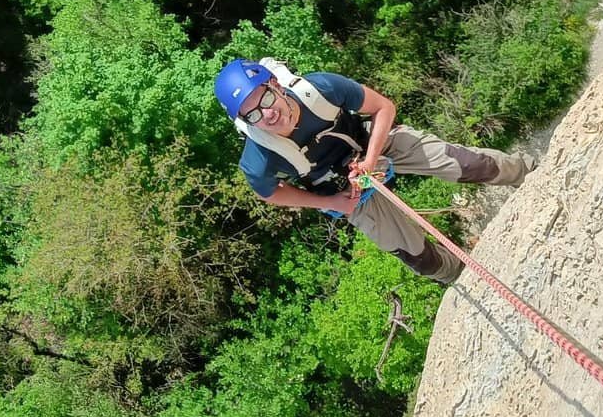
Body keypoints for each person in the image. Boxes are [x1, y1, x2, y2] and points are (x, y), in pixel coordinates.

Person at [214, 58, 531, 284]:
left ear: (274, 84)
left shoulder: (319, 88)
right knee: (421, 259)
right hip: (343, 191)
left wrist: (370, 159)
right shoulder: (258, 158)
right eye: (253, 114)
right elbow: (268, 193)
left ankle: (528, 175)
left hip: (374, 142)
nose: (267, 114)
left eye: (265, 99)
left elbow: (384, 108)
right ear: (245, 122)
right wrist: (336, 203)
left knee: (470, 164)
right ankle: (464, 280)